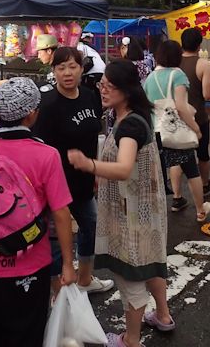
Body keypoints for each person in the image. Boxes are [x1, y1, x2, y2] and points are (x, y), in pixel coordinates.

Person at [0, 77, 76, 346]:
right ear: (32, 114)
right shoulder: (47, 155)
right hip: (33, 263)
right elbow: (61, 214)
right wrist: (68, 264)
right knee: (29, 334)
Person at [67, 60, 173, 347]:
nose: (103, 90)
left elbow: (125, 168)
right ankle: (162, 316)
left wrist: (89, 164)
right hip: (144, 209)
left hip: (132, 213)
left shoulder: (130, 126)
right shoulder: (133, 117)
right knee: (149, 263)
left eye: (109, 86)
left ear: (126, 90)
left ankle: (131, 340)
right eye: (102, 84)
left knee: (131, 277)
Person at [32, 47, 114, 295]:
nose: (67, 73)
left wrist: (96, 170)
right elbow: (38, 149)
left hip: (83, 181)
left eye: (72, 66)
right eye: (61, 67)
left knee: (91, 225)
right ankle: (58, 291)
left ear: (81, 69)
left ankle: (85, 280)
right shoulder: (46, 105)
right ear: (53, 71)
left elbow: (94, 136)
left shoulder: (90, 96)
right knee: (56, 237)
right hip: (54, 186)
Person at [144, 41, 210, 221]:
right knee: (191, 171)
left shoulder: (150, 77)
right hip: (176, 129)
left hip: (156, 132)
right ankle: (200, 210)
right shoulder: (178, 75)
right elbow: (181, 106)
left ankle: (165, 206)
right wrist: (195, 127)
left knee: (162, 170)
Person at [180, 28, 210, 197]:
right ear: (199, 44)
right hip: (199, 117)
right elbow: (207, 94)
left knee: (178, 155)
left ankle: (177, 195)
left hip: (177, 118)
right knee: (202, 154)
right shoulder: (203, 64)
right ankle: (203, 184)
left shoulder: (174, 62)